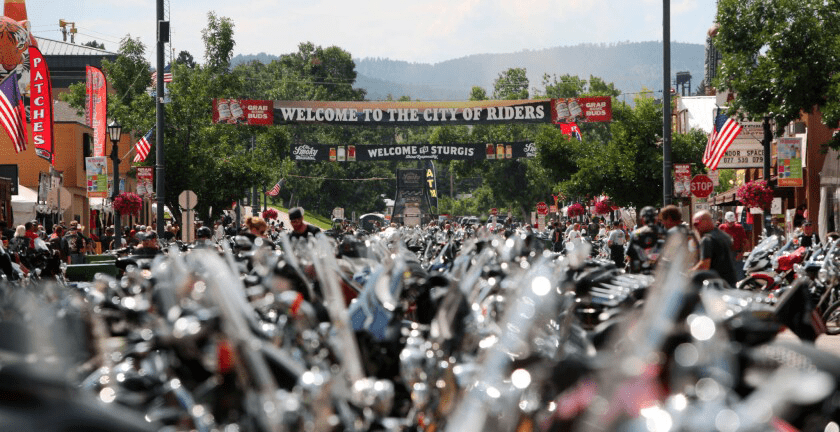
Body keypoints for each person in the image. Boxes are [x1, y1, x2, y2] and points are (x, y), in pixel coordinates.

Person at [691, 210, 737, 286]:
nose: (695, 227)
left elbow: (704, 266)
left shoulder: (707, 239)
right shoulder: (724, 236)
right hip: (730, 283)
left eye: (696, 223)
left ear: (706, 221)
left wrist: (689, 273)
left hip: (716, 286)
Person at [625, 206, 666, 274]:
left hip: (640, 275)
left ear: (642, 220)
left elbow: (630, 255)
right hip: (660, 275)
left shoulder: (636, 234)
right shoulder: (664, 234)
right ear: (656, 219)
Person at [718, 211, 749, 280]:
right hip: (725, 253)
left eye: (732, 222)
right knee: (725, 273)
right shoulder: (721, 227)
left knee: (739, 274)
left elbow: (745, 241)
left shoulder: (739, 227)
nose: (731, 223)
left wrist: (741, 253)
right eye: (729, 222)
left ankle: (739, 287)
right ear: (726, 220)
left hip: (736, 253)